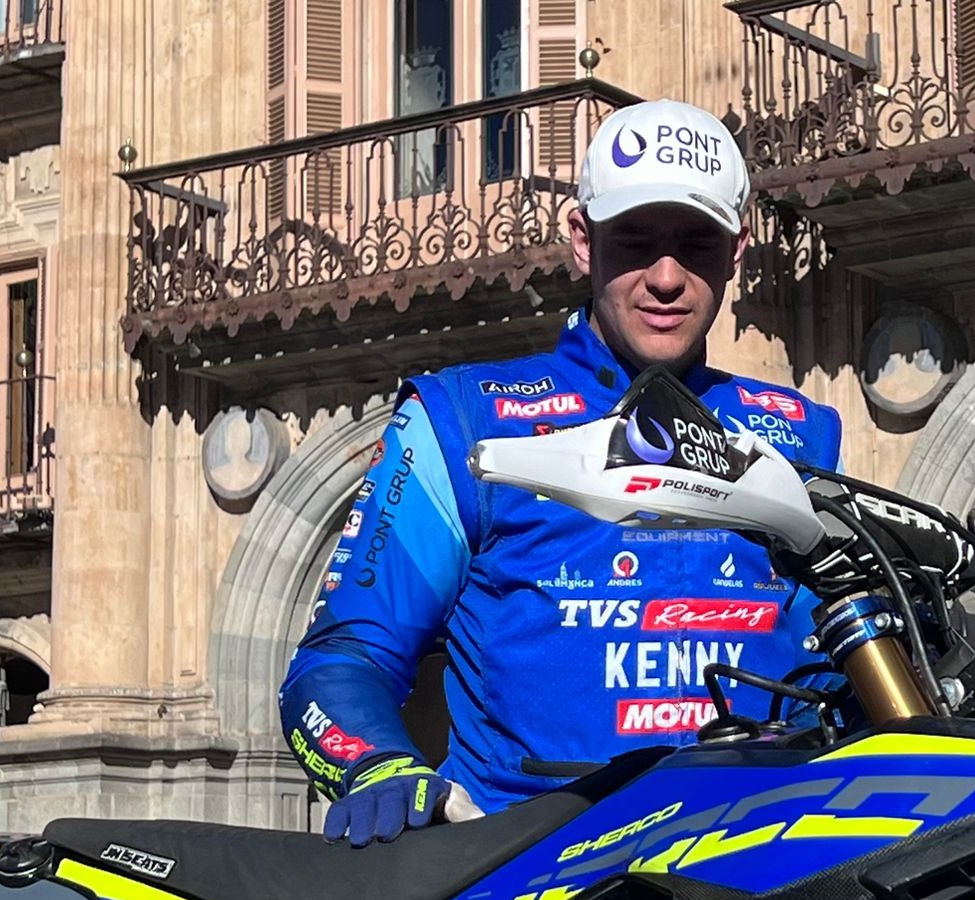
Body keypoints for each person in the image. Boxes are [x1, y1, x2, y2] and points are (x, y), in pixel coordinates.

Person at [281, 99, 841, 844]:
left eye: (698, 245)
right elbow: (340, 659)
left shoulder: (801, 433)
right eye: (635, 241)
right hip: (533, 885)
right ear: (582, 241)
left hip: (754, 872)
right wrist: (379, 767)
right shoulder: (462, 419)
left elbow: (840, 669)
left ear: (737, 251)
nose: (667, 278)